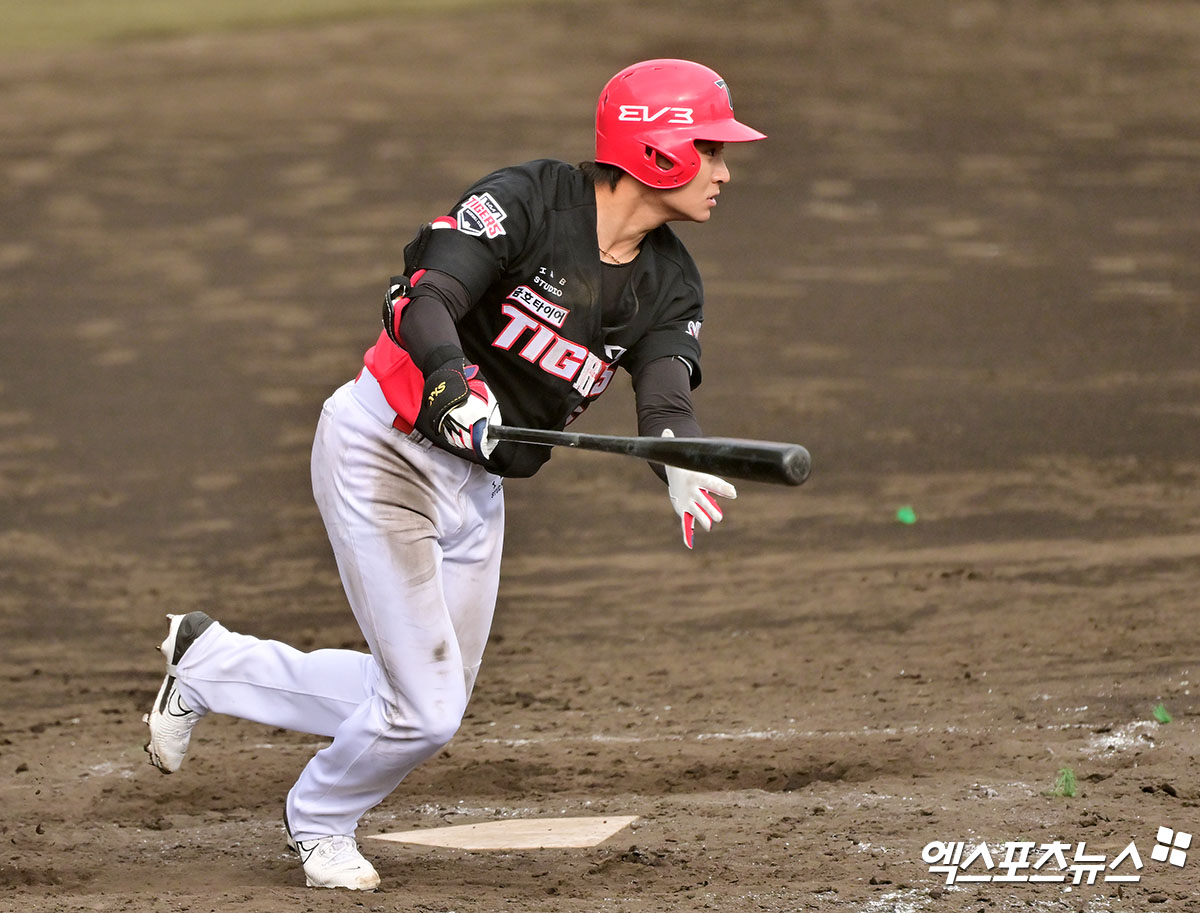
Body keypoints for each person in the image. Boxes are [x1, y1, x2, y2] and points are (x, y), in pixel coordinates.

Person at [143, 58, 766, 891]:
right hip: (384, 453)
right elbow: (421, 297)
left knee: (412, 693)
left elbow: (664, 399)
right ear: (656, 151)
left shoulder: (668, 280)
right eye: (711, 148)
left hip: (478, 489)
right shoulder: (530, 201)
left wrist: (678, 460)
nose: (725, 170)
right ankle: (319, 817)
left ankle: (209, 663)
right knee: (425, 708)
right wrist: (450, 382)